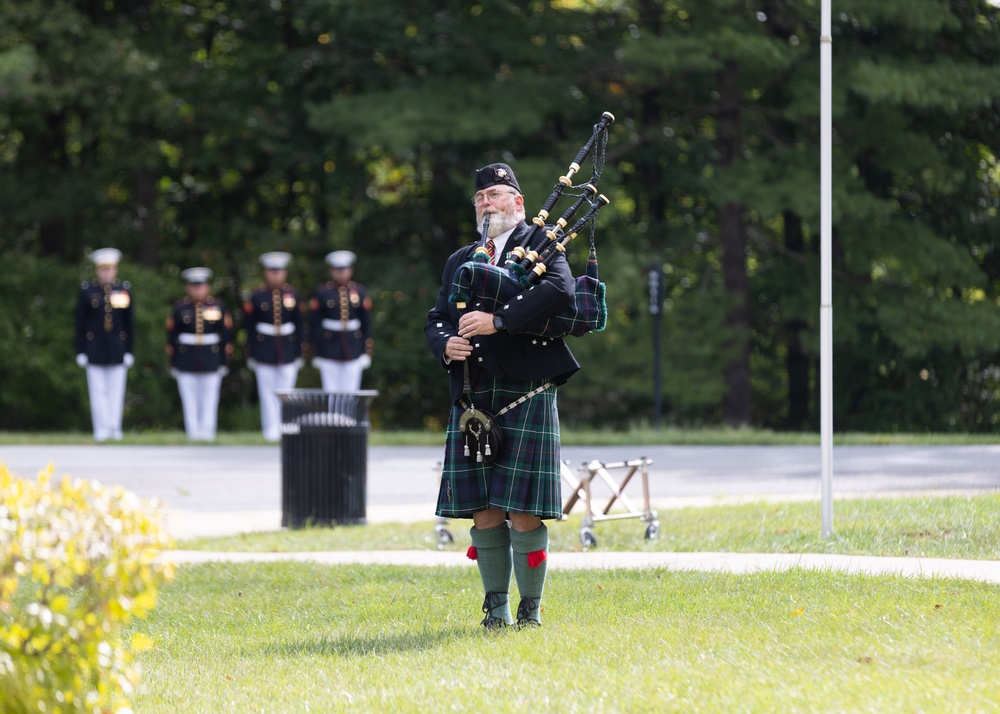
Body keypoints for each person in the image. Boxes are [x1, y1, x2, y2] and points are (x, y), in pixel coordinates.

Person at [424, 163, 581, 629]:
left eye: (495, 194)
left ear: (518, 202)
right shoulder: (462, 257)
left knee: (524, 506)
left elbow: (560, 289)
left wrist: (499, 321)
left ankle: (530, 610)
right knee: (484, 506)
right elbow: (437, 316)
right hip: (473, 392)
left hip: (526, 389)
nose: (486, 203)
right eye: (480, 198)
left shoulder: (540, 245)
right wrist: (445, 344)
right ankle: (496, 609)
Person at [74, 247, 134, 442]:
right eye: (103, 269)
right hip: (95, 349)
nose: (106, 273)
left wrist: (129, 350)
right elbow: (80, 323)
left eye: (110, 269)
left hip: (117, 349)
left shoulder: (124, 290)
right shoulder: (87, 291)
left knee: (117, 391)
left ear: (115, 270)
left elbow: (129, 323)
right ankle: (100, 429)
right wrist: (81, 350)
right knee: (98, 391)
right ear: (97, 270)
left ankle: (114, 428)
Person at [243, 251, 304, 442]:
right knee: (267, 391)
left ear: (284, 273)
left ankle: (285, 427)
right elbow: (249, 328)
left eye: (279, 271)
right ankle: (270, 430)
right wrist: (251, 353)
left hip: (288, 348)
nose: (276, 275)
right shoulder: (257, 296)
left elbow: (300, 325)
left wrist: (300, 351)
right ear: (266, 273)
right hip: (264, 348)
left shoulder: (293, 295)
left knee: (287, 391)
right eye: (272, 271)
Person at [166, 268, 232, 441]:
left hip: (211, 359)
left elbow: (225, 337)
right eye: (194, 286)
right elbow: (172, 339)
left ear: (207, 286)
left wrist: (223, 362)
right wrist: (173, 363)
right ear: (188, 287)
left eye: (201, 285)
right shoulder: (180, 308)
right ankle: (193, 433)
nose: (198, 289)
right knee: (189, 400)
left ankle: (208, 433)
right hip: (186, 359)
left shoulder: (217, 306)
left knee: (210, 399)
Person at [309, 250, 374, 392]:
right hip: (329, 346)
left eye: (344, 269)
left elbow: (366, 322)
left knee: (351, 391)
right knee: (331, 391)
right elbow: (314, 324)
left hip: (353, 346)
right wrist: (316, 351)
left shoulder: (359, 291)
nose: (341, 273)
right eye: (338, 270)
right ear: (332, 271)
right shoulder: (323, 292)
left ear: (350, 270)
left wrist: (366, 351)